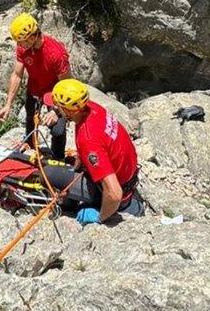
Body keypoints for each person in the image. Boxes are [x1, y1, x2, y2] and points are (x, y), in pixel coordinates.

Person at [50, 79, 144, 223]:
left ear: (68, 110)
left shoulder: (88, 139)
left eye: (58, 106)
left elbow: (114, 194)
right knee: (66, 173)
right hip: (127, 176)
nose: (57, 109)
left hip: (118, 192)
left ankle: (74, 207)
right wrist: (79, 163)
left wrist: (100, 217)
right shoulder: (92, 108)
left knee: (50, 174)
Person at [0, 14, 71, 159]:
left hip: (55, 92)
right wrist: (8, 104)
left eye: (21, 41)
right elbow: (17, 75)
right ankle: (29, 145)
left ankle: (58, 159)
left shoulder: (57, 54)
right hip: (34, 88)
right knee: (30, 116)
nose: (19, 45)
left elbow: (67, 85)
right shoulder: (23, 48)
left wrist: (56, 110)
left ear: (32, 37)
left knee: (58, 130)